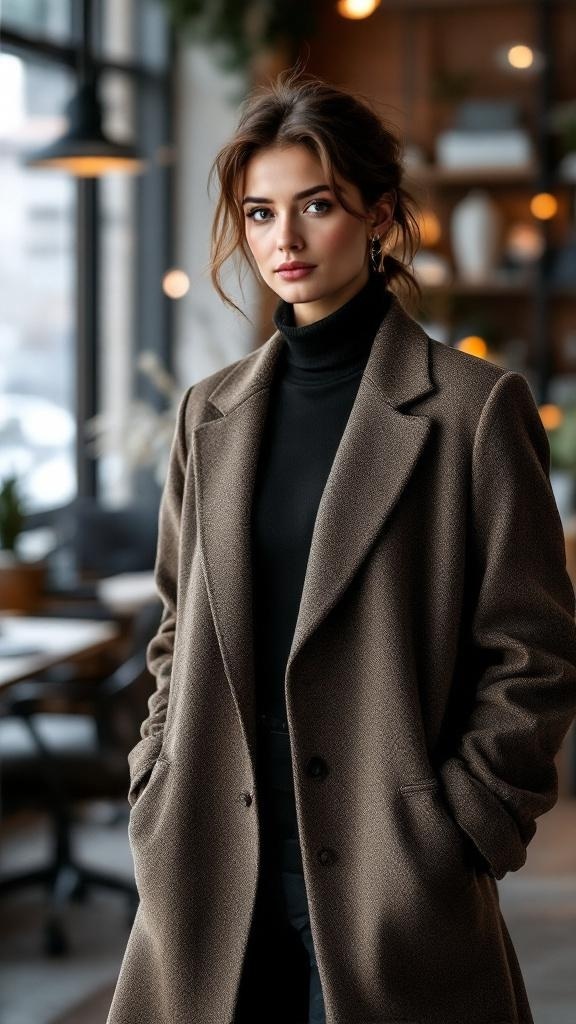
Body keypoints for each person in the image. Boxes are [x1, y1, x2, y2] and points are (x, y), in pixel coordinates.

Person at [107, 71, 576, 1024]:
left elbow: (534, 654)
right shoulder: (211, 415)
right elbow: (173, 628)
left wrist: (464, 826)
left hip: (392, 873)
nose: (284, 239)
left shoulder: (472, 412)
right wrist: (154, 780)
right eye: (260, 211)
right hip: (211, 856)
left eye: (316, 206)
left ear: (378, 216)